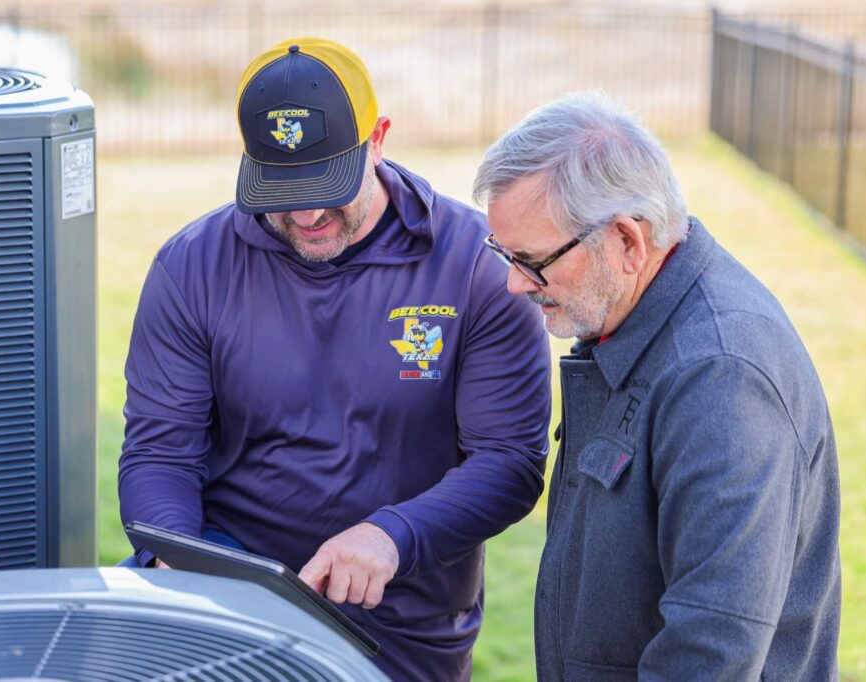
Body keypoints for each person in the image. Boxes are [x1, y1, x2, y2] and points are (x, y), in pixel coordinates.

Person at [118, 37, 553, 681]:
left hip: (400, 622)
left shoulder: (474, 269)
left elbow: (510, 462)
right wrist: (180, 560)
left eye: (327, 183)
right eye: (282, 188)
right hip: (230, 597)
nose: (308, 212)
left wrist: (392, 536)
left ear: (378, 139)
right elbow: (159, 452)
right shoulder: (191, 267)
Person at [474, 90, 841, 680]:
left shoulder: (722, 377)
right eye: (504, 254)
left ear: (627, 240)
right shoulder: (629, 320)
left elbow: (711, 650)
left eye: (532, 260)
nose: (516, 285)